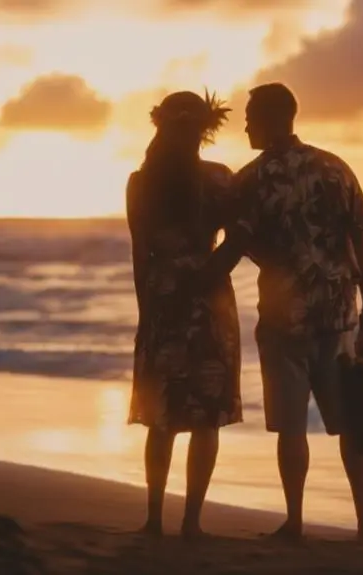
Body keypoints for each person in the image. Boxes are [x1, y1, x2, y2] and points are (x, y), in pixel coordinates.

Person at [199, 82, 363, 542]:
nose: (245, 126)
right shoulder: (334, 168)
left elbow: (239, 244)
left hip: (285, 318)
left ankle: (296, 521)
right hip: (339, 314)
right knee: (351, 425)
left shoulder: (251, 181)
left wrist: (198, 278)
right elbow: (360, 243)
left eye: (250, 118)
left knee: (291, 427)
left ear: (271, 119)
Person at [126, 91, 242, 540]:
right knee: (205, 416)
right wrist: (211, 271)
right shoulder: (219, 178)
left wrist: (146, 313)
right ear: (203, 131)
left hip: (164, 296)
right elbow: (240, 238)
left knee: (162, 416)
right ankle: (192, 522)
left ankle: (154, 519)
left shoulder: (141, 183)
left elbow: (140, 255)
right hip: (210, 299)